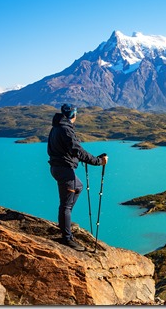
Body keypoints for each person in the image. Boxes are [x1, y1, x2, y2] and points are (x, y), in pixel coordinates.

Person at [47, 104, 108, 251]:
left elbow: (70, 150)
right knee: (66, 205)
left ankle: (65, 222)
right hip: (64, 171)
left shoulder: (57, 127)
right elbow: (77, 150)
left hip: (58, 168)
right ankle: (66, 238)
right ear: (73, 115)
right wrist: (98, 161)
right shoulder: (66, 129)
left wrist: (90, 158)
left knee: (78, 187)